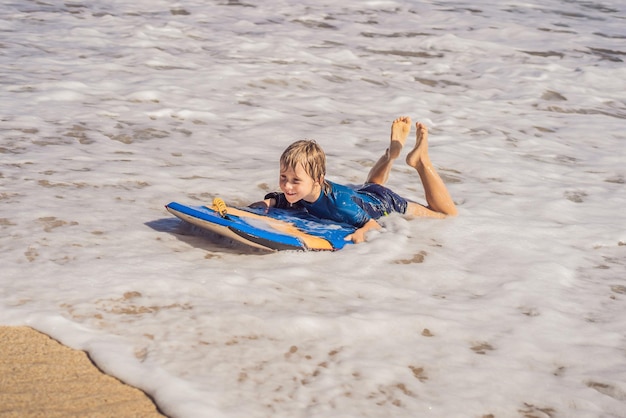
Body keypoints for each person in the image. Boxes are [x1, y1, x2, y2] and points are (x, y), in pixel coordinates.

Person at [251, 116, 457, 243]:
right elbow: (283, 198)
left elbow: (374, 225)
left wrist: (363, 233)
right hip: (364, 194)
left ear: (318, 180)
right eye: (283, 177)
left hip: (386, 202)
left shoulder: (341, 206)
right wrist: (267, 202)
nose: (287, 185)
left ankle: (421, 161)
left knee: (446, 215)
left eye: (295, 180)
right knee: (372, 184)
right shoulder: (301, 191)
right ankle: (390, 154)